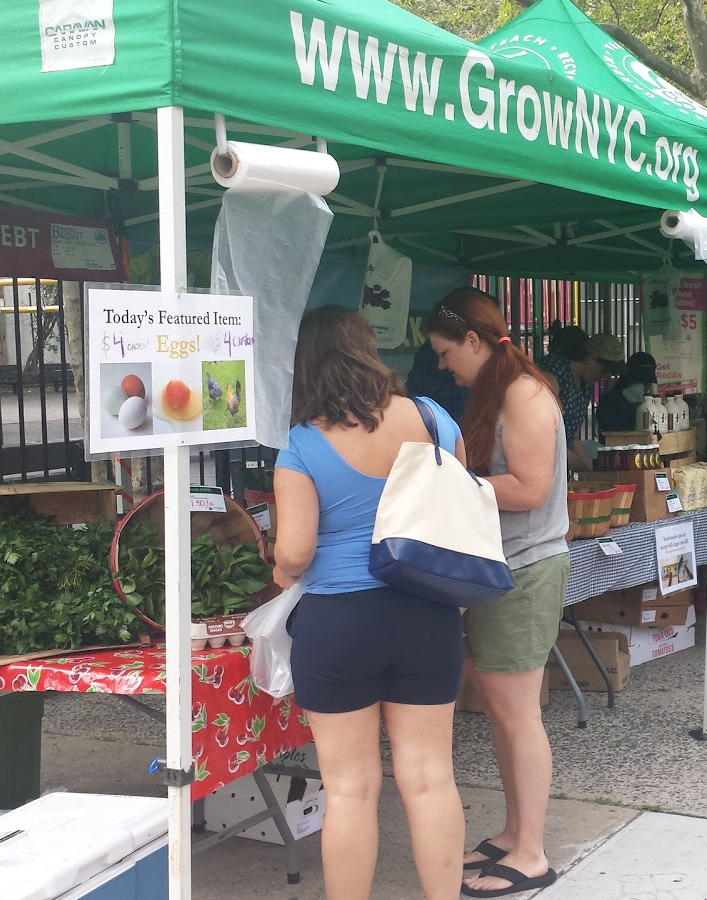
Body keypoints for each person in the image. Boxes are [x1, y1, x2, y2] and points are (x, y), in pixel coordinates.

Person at [270, 306, 467, 900]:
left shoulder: (302, 445)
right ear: (367, 349)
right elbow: (456, 510)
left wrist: (278, 569)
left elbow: (296, 552)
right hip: (427, 611)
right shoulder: (435, 420)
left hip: (339, 621)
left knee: (350, 789)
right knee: (431, 778)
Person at [426, 287, 568, 898]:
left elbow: (531, 489)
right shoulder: (502, 390)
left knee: (519, 715)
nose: (441, 365)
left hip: (527, 569)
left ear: (475, 341)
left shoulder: (525, 394)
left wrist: (455, 484)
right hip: (502, 569)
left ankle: (531, 852)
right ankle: (513, 832)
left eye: (444, 351)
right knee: (504, 714)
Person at [536, 327, 624, 471]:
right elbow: (543, 437)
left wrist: (592, 474)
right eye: (605, 370)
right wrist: (577, 464)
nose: (607, 377)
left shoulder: (585, 385)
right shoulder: (555, 371)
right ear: (591, 359)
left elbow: (574, 438)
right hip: (541, 458)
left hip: (560, 459)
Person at [596, 351, 657, 431]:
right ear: (628, 379)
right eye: (639, 382)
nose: (643, 387)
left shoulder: (653, 405)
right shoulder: (609, 402)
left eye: (646, 383)